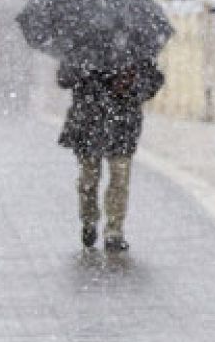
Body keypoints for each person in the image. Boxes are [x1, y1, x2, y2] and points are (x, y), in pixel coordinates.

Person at [56, 58, 165, 251]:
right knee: (89, 179)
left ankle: (114, 231)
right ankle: (89, 221)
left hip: (123, 123)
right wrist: (83, 72)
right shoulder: (82, 48)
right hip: (88, 122)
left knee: (119, 179)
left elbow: (154, 80)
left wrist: (132, 87)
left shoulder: (135, 50)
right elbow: (63, 78)